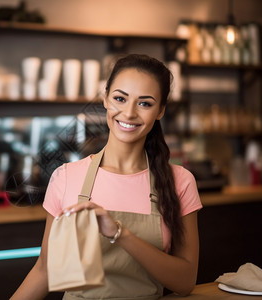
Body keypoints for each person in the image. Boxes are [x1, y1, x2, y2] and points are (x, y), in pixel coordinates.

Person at [11, 54, 202, 299]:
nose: (129, 112)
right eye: (120, 99)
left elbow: (185, 282)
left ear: (161, 111)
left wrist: (120, 234)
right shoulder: (66, 177)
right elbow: (45, 270)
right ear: (105, 99)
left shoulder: (180, 181)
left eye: (145, 103)